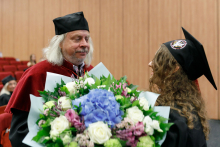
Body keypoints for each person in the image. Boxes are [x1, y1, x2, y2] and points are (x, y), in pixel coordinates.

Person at [5, 11, 94, 147]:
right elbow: (19, 132)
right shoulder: (37, 74)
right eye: (77, 39)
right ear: (60, 43)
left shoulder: (92, 72)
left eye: (86, 39)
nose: (84, 44)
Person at [148, 27, 217, 147]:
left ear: (174, 69)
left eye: (158, 60)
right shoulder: (186, 108)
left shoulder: (173, 117)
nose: (150, 64)